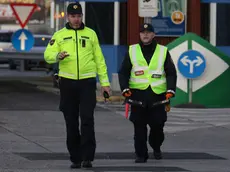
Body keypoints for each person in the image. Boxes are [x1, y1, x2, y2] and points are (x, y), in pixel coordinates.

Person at [44, 2, 110, 169]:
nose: (76, 19)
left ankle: (88, 157)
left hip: (87, 82)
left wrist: (105, 83)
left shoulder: (91, 34)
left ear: (82, 16)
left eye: (79, 16)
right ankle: (75, 157)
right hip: (67, 82)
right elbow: (47, 55)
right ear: (68, 17)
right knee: (71, 120)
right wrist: (58, 56)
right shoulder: (59, 35)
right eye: (73, 16)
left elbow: (99, 60)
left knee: (87, 119)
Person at [118, 23, 177, 163]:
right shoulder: (132, 50)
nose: (145, 34)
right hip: (137, 95)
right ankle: (140, 155)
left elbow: (171, 73)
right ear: (139, 34)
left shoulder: (163, 51)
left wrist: (170, 90)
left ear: (153, 34)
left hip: (158, 96)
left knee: (157, 125)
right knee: (139, 126)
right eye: (143, 32)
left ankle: (156, 146)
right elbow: (123, 72)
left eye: (148, 32)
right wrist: (125, 89)